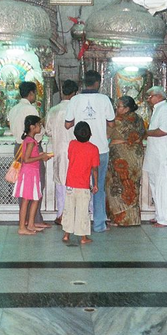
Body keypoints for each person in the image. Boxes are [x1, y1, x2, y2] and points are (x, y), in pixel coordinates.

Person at [65, 70, 115, 233]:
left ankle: (74, 224)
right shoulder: (104, 99)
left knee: (78, 186)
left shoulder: (75, 100)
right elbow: (112, 124)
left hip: (80, 149)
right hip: (100, 149)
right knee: (98, 187)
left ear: (84, 82)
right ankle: (99, 224)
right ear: (98, 83)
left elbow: (67, 124)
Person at [8, 81, 50, 229]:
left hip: (19, 147)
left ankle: (26, 221)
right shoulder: (30, 109)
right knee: (37, 185)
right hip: (31, 148)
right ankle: (34, 219)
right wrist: (43, 128)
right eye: (35, 93)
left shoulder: (13, 109)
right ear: (31, 93)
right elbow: (37, 131)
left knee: (23, 186)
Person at [143, 86, 167, 228]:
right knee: (155, 186)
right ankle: (159, 215)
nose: (148, 99)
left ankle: (165, 219)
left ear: (159, 96)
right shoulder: (158, 109)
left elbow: (163, 131)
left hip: (163, 156)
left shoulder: (164, 109)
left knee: (164, 188)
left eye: (150, 96)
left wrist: (146, 132)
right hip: (156, 156)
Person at [105, 95, 145, 226]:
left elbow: (107, 134)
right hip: (135, 155)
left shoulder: (117, 121)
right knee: (132, 184)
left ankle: (120, 219)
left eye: (119, 106)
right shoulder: (138, 119)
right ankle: (133, 219)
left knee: (117, 185)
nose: (117, 108)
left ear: (127, 108)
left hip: (121, 156)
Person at [45, 79, 79, 225]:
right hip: (76, 151)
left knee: (61, 183)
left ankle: (61, 214)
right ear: (74, 93)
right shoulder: (77, 109)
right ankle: (77, 214)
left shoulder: (53, 110)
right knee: (77, 183)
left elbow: (48, 131)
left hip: (59, 151)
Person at [62, 121, 100, 245]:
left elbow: (70, 157)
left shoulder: (72, 144)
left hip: (70, 184)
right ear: (90, 134)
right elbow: (95, 169)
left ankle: (66, 234)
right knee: (83, 211)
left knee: (68, 208)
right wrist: (95, 184)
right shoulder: (93, 149)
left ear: (75, 134)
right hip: (83, 185)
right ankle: (83, 237)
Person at [15, 115, 53, 235]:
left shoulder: (31, 140)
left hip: (33, 172)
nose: (40, 127)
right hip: (29, 173)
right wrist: (41, 156)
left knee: (36, 198)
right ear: (32, 127)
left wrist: (41, 156)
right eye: (39, 125)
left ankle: (31, 224)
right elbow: (26, 159)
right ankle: (22, 227)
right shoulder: (30, 141)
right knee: (26, 200)